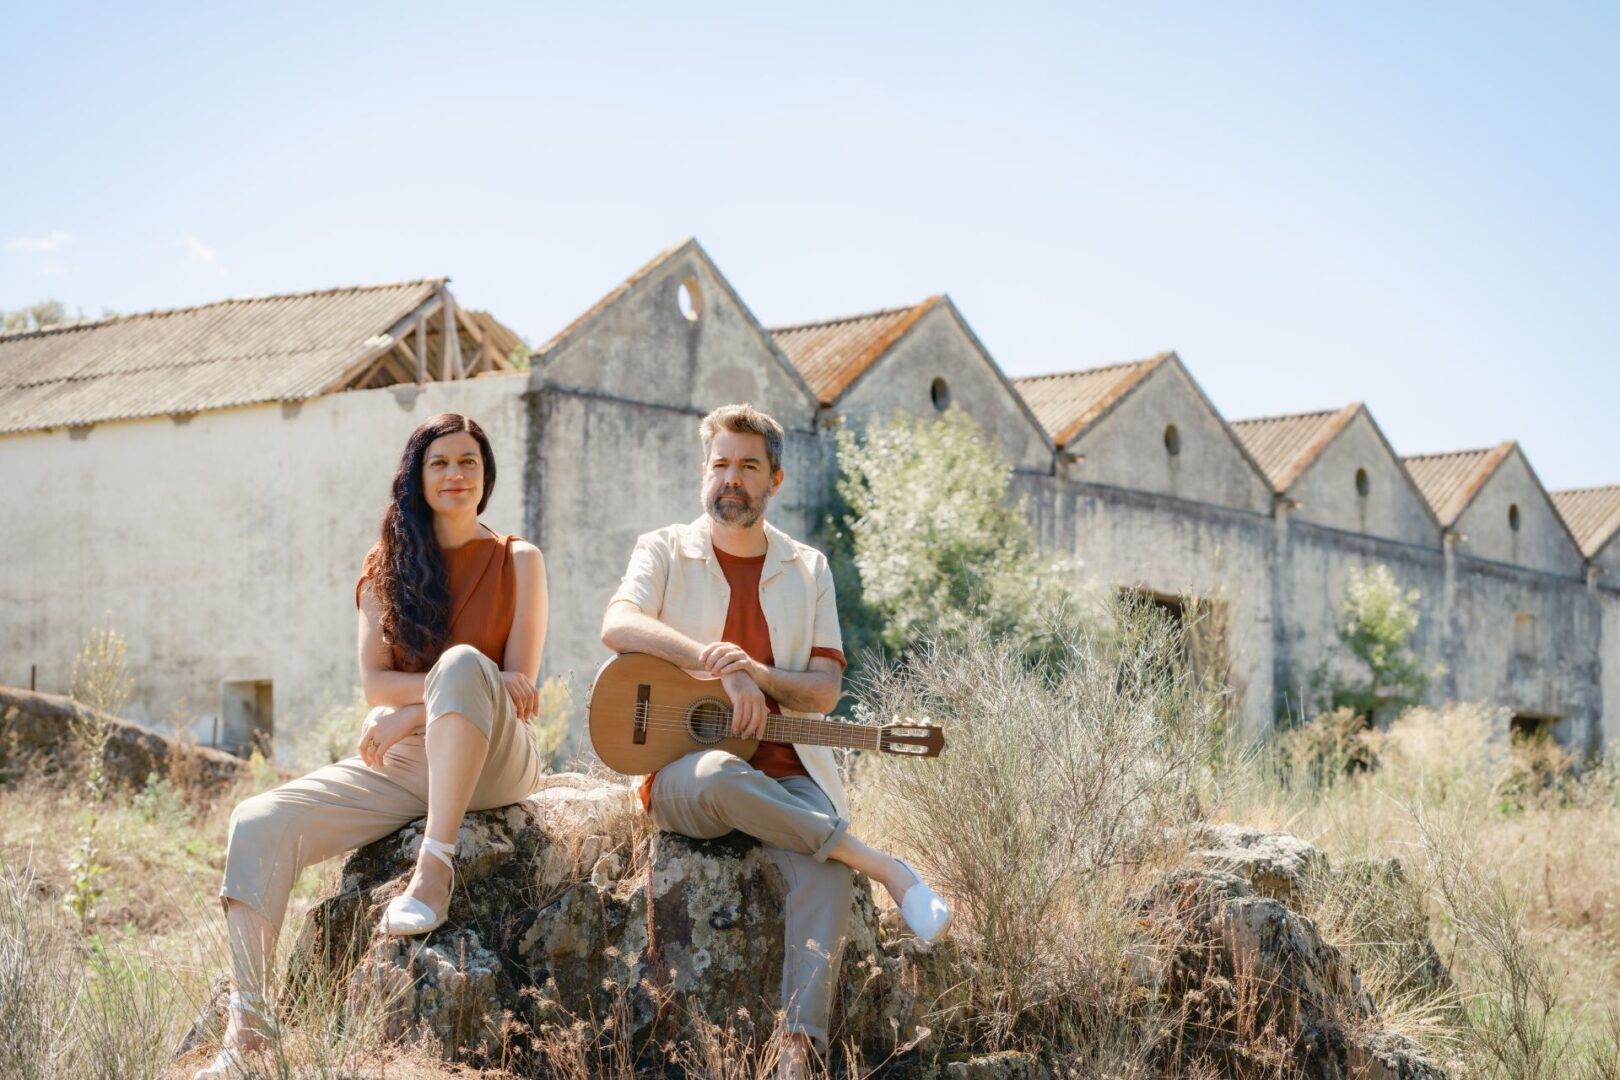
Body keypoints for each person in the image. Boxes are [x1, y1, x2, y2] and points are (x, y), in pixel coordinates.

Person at [600, 403, 951, 1080]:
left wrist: (759, 675)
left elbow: (822, 692)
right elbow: (618, 623)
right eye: (721, 464)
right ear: (705, 471)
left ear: (776, 480)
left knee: (823, 862)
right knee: (721, 775)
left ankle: (797, 1051)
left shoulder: (807, 567)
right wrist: (718, 665)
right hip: (681, 772)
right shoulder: (665, 547)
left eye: (748, 466)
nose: (732, 478)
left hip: (791, 775)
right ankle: (889, 868)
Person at [196, 413, 549, 1080]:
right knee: (257, 822)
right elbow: (373, 683)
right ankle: (248, 1028)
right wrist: (419, 711)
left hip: (499, 756)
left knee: (465, 663)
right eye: (440, 463)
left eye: (468, 462)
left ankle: (433, 866)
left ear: (486, 475)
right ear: (417, 477)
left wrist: (414, 708)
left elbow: (518, 684)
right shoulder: (386, 569)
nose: (455, 474)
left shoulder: (518, 560)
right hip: (415, 762)